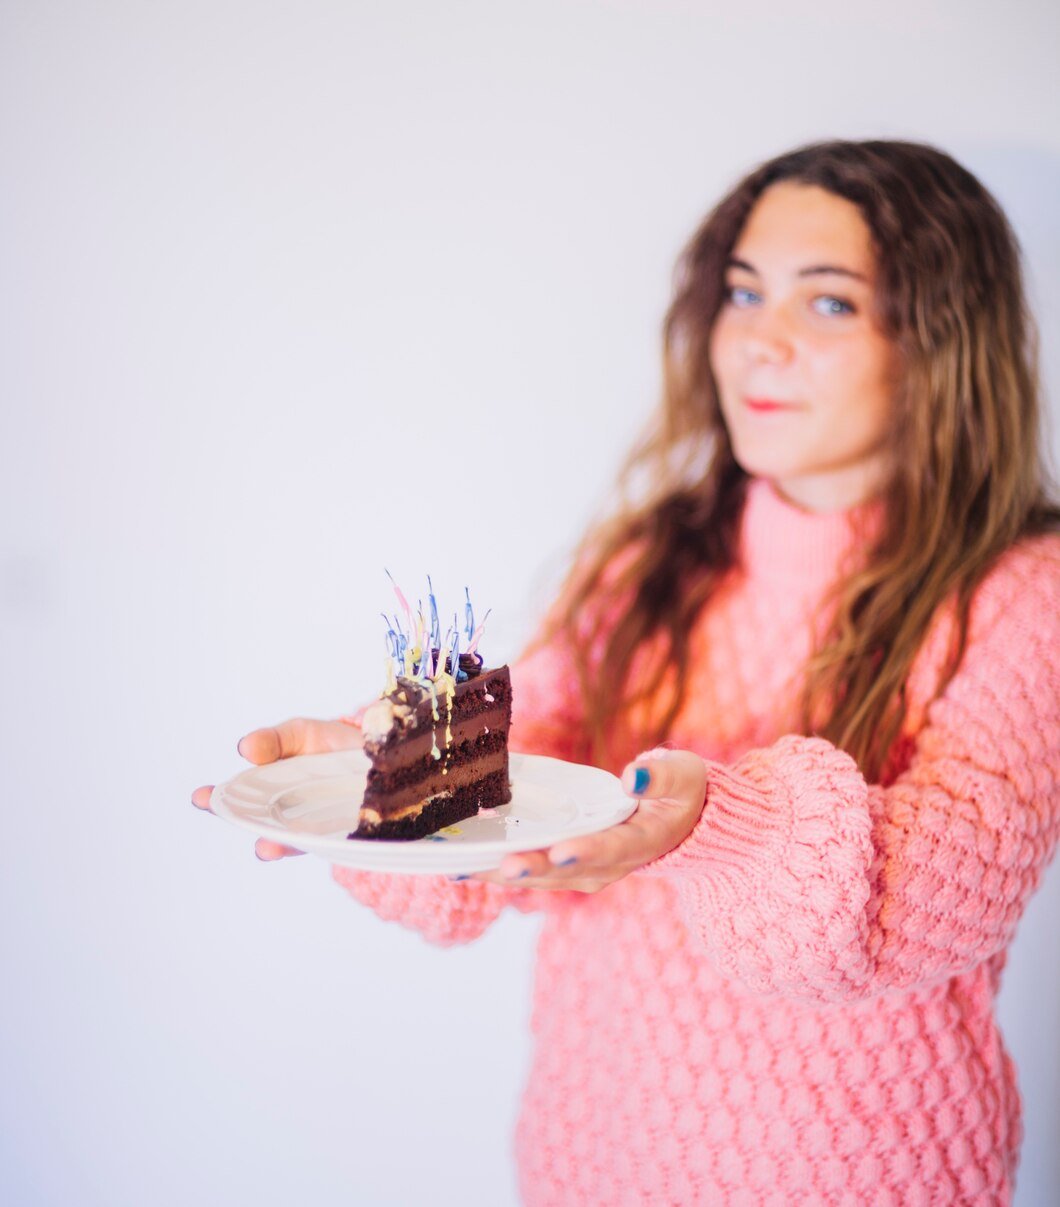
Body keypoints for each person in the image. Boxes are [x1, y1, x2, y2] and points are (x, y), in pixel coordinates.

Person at [193, 139, 1060, 1204]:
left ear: (940, 336)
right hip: (587, 1164)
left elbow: (942, 879)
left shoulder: (1023, 590)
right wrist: (393, 772)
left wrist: (715, 819)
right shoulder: (650, 560)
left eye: (827, 303)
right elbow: (513, 786)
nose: (757, 343)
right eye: (742, 294)